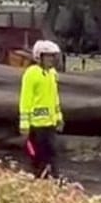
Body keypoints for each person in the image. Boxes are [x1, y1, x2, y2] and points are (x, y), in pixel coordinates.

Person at [19, 40, 64, 179]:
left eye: (53, 56)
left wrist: (59, 118)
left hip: (49, 123)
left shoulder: (52, 74)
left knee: (53, 152)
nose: (51, 60)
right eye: (48, 56)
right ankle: (38, 177)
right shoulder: (31, 74)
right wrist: (24, 124)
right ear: (40, 57)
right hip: (36, 124)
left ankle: (54, 178)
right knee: (38, 155)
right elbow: (25, 100)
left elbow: (55, 98)